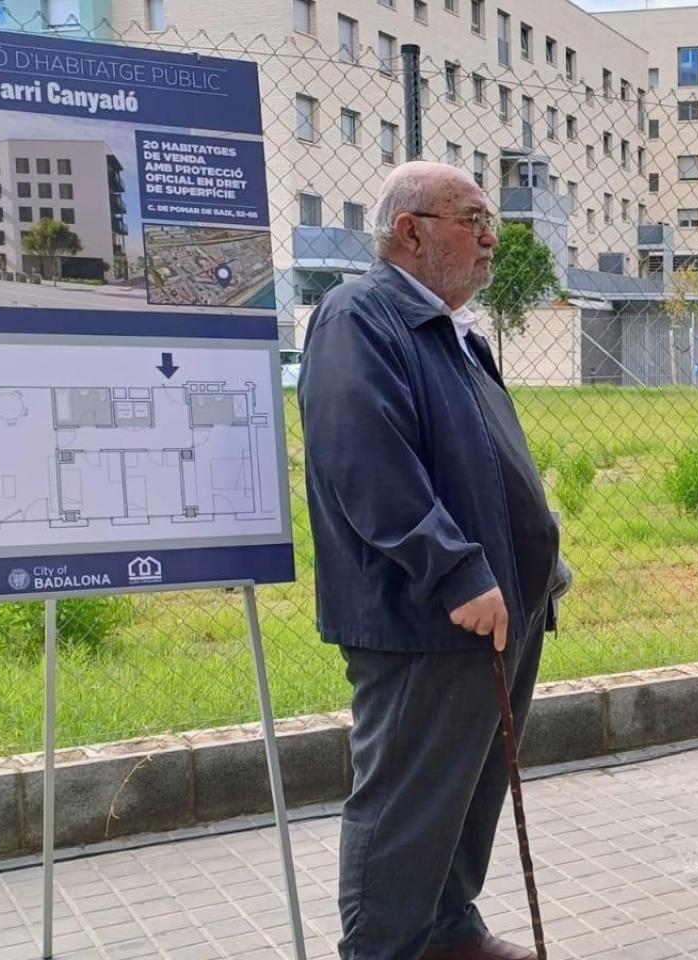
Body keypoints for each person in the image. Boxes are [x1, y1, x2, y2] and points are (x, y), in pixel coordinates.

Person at [299, 160, 570, 960]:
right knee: (408, 805)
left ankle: (448, 928)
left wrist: (539, 566)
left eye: (489, 220)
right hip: (426, 615)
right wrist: (457, 569)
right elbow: (365, 462)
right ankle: (383, 948)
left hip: (499, 609)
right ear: (409, 232)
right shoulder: (360, 318)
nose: (491, 237)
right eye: (472, 218)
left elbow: (491, 465)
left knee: (469, 789)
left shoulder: (454, 334)